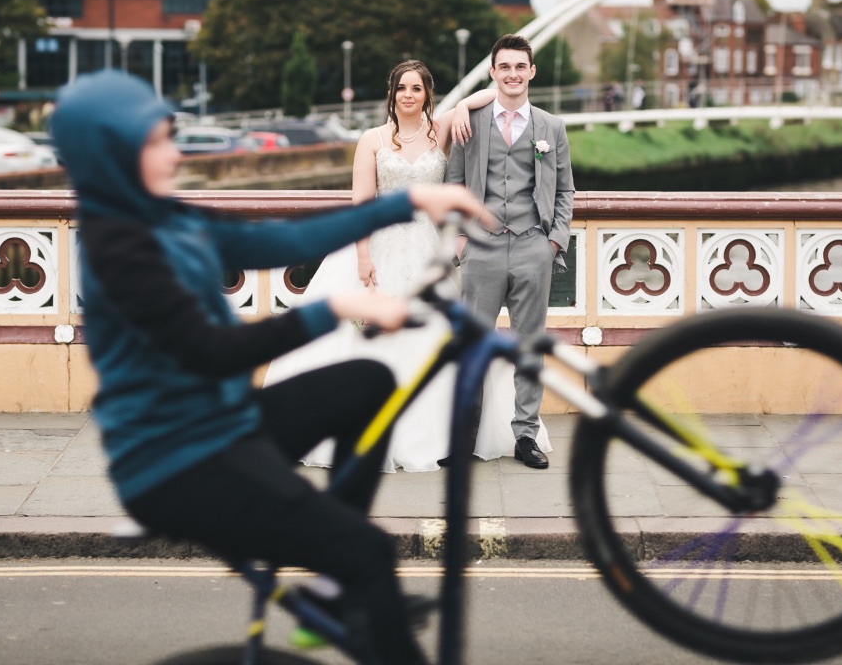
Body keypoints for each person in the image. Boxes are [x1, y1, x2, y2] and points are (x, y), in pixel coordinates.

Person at [50, 69, 490, 665]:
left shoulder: (167, 218)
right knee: (369, 554)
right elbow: (210, 351)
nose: (174, 152)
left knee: (371, 381)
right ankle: (348, 576)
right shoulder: (119, 250)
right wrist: (334, 307)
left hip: (224, 427)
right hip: (179, 463)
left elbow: (283, 243)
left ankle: (334, 589)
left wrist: (408, 200)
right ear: (110, 154)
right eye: (155, 141)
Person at [264, 60, 551, 471]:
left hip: (429, 248)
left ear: (427, 95)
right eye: (402, 88)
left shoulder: (441, 131)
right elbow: (361, 202)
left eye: (417, 89)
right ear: (392, 93)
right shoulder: (373, 139)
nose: (408, 96)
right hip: (379, 244)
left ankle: (437, 435)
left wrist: (464, 107)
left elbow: (492, 93)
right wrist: (363, 256)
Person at [447, 34, 575, 470]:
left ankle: (526, 436)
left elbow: (564, 190)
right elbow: (454, 183)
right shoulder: (472, 121)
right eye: (505, 67)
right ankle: (464, 438)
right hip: (480, 249)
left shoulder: (551, 127)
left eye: (521, 66)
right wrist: (462, 239)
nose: (513, 74)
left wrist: (553, 241)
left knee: (529, 346)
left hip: (531, 247)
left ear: (531, 72)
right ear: (493, 72)